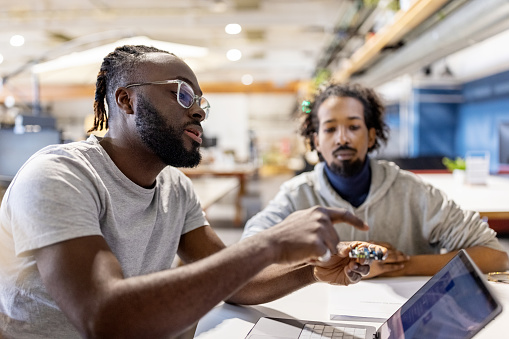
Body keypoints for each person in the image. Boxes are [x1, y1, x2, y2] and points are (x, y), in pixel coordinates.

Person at [0, 45, 386, 339]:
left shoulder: (174, 188)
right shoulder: (59, 175)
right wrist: (269, 244)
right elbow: (103, 315)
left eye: (200, 101)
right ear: (126, 100)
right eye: (182, 94)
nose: (199, 111)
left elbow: (238, 282)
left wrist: (311, 270)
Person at [242, 82, 509, 278]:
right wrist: (330, 265)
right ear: (316, 141)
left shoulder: (413, 192)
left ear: (371, 136)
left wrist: (402, 266)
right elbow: (247, 255)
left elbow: (494, 255)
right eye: (330, 128)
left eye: (354, 126)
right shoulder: (296, 197)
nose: (343, 138)